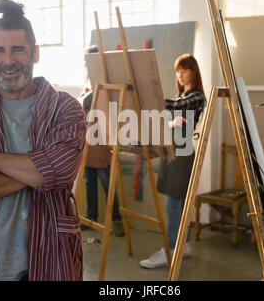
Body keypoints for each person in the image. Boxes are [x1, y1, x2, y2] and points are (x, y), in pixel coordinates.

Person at [0, 0, 86, 281]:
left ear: (35, 53)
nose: (8, 61)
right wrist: (40, 171)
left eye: (18, 50)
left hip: (50, 254)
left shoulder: (65, 108)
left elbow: (60, 172)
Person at [140, 54, 206, 269]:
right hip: (172, 152)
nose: (180, 75)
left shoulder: (196, 97)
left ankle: (170, 251)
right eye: (178, 71)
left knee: (174, 205)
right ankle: (182, 246)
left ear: (193, 72)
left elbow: (173, 107)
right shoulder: (179, 96)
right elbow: (166, 117)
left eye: (184, 70)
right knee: (174, 204)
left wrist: (153, 100)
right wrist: (168, 121)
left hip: (183, 155)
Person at [79, 46, 124, 236]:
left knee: (108, 183)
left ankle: (117, 220)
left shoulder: (106, 84)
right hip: (88, 143)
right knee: (90, 182)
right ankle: (91, 218)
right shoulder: (89, 86)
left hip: (102, 141)